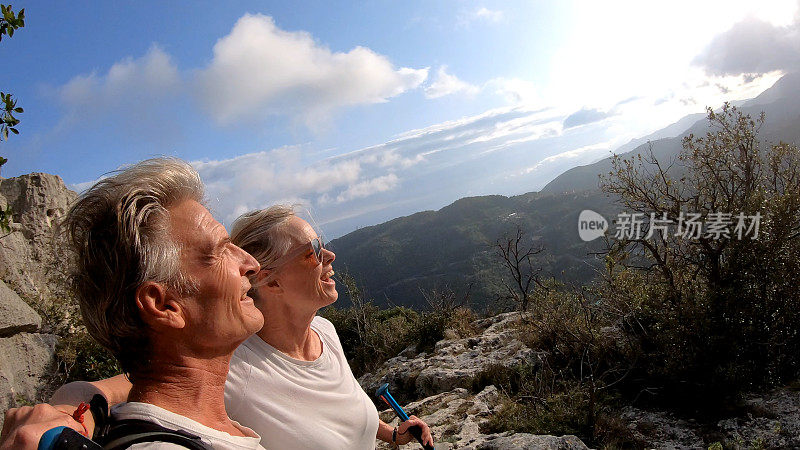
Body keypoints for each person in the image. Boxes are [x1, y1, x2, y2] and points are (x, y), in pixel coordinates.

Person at [48, 206, 434, 449]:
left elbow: (342, 409)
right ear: (271, 281)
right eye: (312, 251)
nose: (329, 255)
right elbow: (129, 391)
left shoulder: (325, 334)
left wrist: (390, 432)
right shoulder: (233, 367)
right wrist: (68, 416)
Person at [2, 157, 267, 449]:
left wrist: (77, 403)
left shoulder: (206, 424)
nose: (251, 263)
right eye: (218, 251)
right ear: (163, 305)